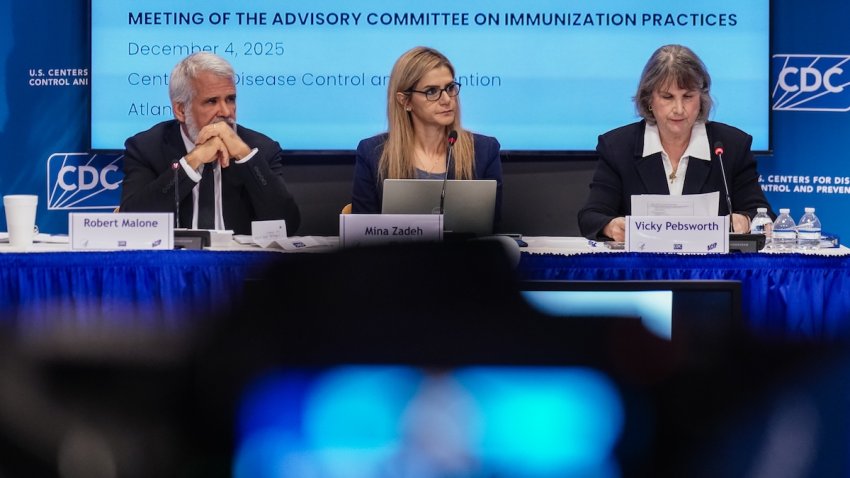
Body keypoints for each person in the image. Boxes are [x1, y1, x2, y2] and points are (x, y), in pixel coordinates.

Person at [577, 44, 774, 242]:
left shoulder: (730, 146)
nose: (679, 109)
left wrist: (746, 221)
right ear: (649, 100)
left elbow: (763, 215)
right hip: (642, 269)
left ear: (701, 98)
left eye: (688, 96)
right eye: (667, 97)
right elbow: (591, 217)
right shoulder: (618, 147)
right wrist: (611, 227)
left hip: (710, 269)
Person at [120, 52, 300, 236]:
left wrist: (245, 156)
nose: (225, 111)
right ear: (181, 110)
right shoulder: (147, 148)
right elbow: (132, 223)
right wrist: (193, 160)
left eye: (230, 99)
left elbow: (287, 226)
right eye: (211, 101)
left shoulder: (261, 149)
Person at [351, 46, 503, 227]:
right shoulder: (373, 153)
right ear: (405, 101)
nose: (446, 99)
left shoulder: (484, 150)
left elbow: (492, 229)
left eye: (450, 87)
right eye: (431, 91)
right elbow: (361, 233)